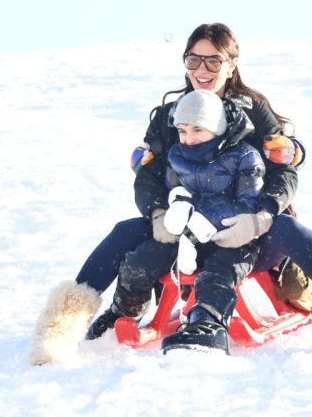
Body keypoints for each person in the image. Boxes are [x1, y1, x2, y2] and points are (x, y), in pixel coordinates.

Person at [27, 23, 312, 365]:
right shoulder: (170, 116)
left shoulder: (253, 113)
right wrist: (156, 213)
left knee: (288, 228)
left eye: (213, 60)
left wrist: (261, 217)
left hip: (247, 230)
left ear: (231, 65)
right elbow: (148, 174)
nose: (202, 68)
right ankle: (58, 331)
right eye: (194, 59)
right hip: (184, 229)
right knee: (125, 232)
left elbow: (283, 169)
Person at [90, 89, 265, 353]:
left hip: (231, 236)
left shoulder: (245, 156)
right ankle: (124, 311)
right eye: (182, 131)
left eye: (197, 129)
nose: (188, 138)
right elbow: (173, 190)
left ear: (217, 128)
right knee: (142, 259)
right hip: (186, 237)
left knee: (217, 273)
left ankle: (207, 323)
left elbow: (248, 202)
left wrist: (202, 219)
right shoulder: (177, 154)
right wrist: (172, 212)